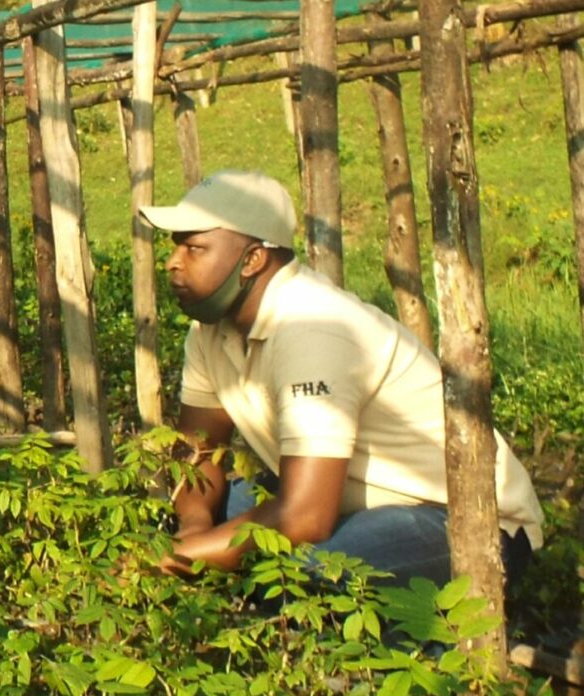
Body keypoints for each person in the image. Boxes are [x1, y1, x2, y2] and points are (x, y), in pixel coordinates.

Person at [139, 169, 542, 585]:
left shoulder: (314, 327)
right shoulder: (209, 330)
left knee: (303, 567)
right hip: (349, 504)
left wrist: (175, 560)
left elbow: (304, 516)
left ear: (253, 259)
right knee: (194, 515)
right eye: (176, 247)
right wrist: (192, 530)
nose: (173, 262)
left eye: (194, 248)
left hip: (461, 518)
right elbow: (198, 451)